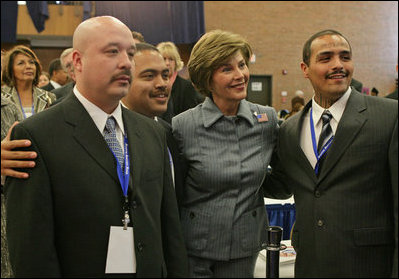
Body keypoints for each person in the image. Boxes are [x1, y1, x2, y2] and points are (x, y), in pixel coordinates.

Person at [5, 16, 188, 277]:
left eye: (130, 53)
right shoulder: (37, 136)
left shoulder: (152, 132)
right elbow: (32, 250)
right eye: (112, 52)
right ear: (77, 62)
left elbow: (170, 231)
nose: (126, 62)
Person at [266, 29, 398, 277]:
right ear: (305, 68)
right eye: (326, 58)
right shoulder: (289, 130)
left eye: (345, 57)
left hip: (368, 266)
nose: (338, 65)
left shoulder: (389, 117)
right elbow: (283, 185)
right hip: (310, 265)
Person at [172, 30, 290, 278]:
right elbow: (174, 191)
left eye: (242, 65)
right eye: (226, 69)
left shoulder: (266, 120)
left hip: (244, 248)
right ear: (207, 78)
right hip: (194, 249)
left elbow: (281, 181)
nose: (240, 75)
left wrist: (253, 184)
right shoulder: (183, 126)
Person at [121, 42, 185, 207]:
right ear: (124, 80)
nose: (162, 84)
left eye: (165, 75)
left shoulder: (170, 134)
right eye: (149, 76)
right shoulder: (107, 133)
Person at [1, 45, 56, 120]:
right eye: (21, 63)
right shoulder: (2, 95)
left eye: (31, 62)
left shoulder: (49, 97)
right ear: (11, 69)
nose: (28, 66)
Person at [156, 41, 204, 123]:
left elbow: (192, 118)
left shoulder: (186, 86)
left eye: (171, 59)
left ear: (176, 62)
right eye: (164, 59)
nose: (167, 63)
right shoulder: (155, 86)